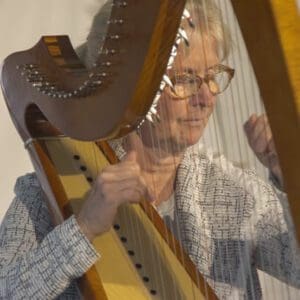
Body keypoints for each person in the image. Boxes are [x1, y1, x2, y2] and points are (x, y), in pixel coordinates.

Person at [0, 0, 299, 299]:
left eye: (212, 76)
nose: (207, 97)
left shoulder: (233, 193)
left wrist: (291, 177)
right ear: (137, 91)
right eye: (185, 80)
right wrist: (83, 229)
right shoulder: (44, 193)